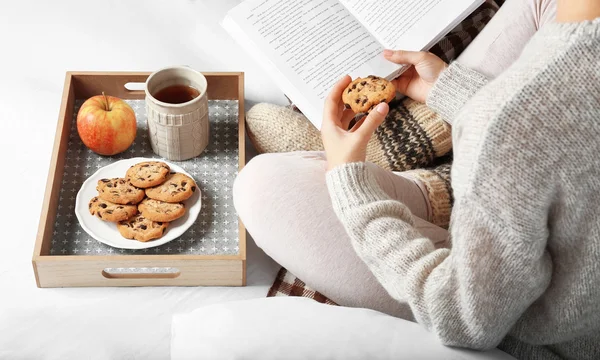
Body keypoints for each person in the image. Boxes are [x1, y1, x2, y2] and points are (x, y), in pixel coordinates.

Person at [234, 0, 600, 358]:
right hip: (538, 211)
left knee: (262, 186)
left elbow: (463, 319)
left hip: (530, 321)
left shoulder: (511, 127)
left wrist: (351, 185)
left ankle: (402, 155)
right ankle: (421, 143)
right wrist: (449, 91)